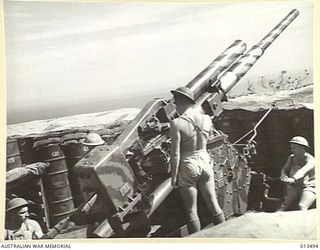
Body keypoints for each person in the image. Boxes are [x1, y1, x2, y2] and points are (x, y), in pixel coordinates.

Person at [170, 86, 225, 234]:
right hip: (205, 160)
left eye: (176, 104)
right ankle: (226, 237)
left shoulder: (177, 123)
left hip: (188, 164)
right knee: (214, 204)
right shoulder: (206, 119)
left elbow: (175, 153)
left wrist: (174, 176)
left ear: (181, 102)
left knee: (191, 211)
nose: (176, 108)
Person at [280, 136, 315, 211]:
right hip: (295, 186)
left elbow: (303, 170)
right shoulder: (291, 158)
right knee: (282, 206)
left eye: (294, 148)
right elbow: (284, 169)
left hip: (309, 186)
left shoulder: (311, 159)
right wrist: (283, 175)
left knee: (302, 206)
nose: (292, 150)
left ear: (302, 148)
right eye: (291, 148)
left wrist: (293, 178)